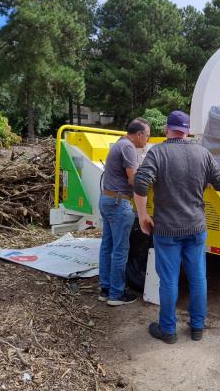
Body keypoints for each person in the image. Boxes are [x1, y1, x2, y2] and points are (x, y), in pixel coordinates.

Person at [133, 111, 220, 343]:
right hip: (196, 228)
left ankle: (168, 331)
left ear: (167, 129)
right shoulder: (202, 153)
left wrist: (143, 215)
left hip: (167, 230)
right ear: (187, 131)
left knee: (169, 281)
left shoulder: (158, 152)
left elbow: (140, 183)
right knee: (198, 278)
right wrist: (202, 183)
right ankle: (197, 327)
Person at [98, 118, 151, 306]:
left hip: (107, 199)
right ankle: (116, 294)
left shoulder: (119, 144)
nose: (147, 140)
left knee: (107, 246)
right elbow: (133, 180)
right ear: (139, 134)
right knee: (121, 250)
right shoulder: (128, 147)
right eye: (147, 136)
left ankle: (105, 289)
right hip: (119, 203)